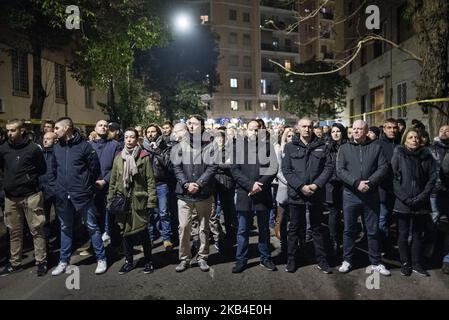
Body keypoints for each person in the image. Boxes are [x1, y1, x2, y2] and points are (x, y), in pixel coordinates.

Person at [50, 117, 107, 276]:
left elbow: (94, 169)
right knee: (65, 228)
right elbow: (54, 170)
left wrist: (87, 187)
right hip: (62, 195)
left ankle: (101, 258)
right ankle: (63, 261)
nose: (54, 132)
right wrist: (58, 188)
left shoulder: (85, 147)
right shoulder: (57, 148)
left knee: (91, 226)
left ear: (67, 128)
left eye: (56, 128)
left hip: (82, 195)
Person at [336, 120, 390, 275]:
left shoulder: (376, 147)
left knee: (373, 230)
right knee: (349, 230)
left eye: (360, 129)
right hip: (350, 195)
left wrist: (370, 183)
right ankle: (347, 260)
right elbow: (340, 170)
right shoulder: (344, 148)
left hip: (371, 195)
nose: (357, 131)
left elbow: (383, 167)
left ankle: (376, 262)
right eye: (354, 129)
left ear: (366, 131)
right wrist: (356, 183)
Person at [282, 118, 333, 273]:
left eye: (310, 127)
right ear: (298, 128)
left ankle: (321, 260)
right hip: (297, 194)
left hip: (315, 193)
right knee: (294, 228)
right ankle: (291, 259)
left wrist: (316, 185)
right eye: (304, 126)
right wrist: (301, 186)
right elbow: (286, 170)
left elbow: (329, 167)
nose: (307, 129)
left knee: (317, 228)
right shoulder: (290, 147)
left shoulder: (322, 146)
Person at [0, 119, 47, 277]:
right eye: (8, 130)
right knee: (14, 231)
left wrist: (28, 179)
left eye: (12, 130)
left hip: (31, 195)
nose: (9, 133)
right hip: (11, 198)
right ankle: (15, 263)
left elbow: (42, 169)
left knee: (37, 230)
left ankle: (41, 261)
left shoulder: (33, 149)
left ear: (22, 131)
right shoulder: (3, 149)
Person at [230, 119, 278, 273]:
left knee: (264, 229)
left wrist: (259, 184)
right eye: (251, 129)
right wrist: (250, 185)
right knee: (242, 230)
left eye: (257, 129)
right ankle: (241, 260)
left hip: (262, 193)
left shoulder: (267, 147)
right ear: (246, 130)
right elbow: (234, 169)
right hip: (245, 193)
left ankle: (265, 258)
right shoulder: (238, 146)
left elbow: (273, 168)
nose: (254, 132)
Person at [108, 128, 157, 274]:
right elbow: (113, 180)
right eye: (126, 137)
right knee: (125, 232)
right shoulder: (118, 157)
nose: (129, 140)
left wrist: (151, 201)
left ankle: (148, 261)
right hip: (122, 201)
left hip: (139, 200)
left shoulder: (144, 156)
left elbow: (150, 180)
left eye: (132, 137)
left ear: (137, 139)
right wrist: (110, 199)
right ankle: (129, 261)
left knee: (143, 232)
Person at [171, 115, 217, 272]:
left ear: (202, 127)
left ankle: (203, 257)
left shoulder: (210, 144)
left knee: (204, 227)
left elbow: (212, 167)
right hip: (184, 194)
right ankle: (184, 258)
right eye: (189, 123)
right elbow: (176, 167)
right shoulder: (180, 145)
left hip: (203, 193)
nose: (191, 126)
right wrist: (186, 184)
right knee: (184, 227)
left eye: (194, 124)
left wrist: (198, 184)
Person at [391, 128, 436, 276]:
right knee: (403, 234)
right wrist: (405, 198)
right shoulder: (399, 154)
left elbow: (432, 178)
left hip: (421, 202)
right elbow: (394, 178)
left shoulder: (427, 156)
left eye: (416, 137)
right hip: (403, 202)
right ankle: (405, 263)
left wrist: (422, 197)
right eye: (410, 137)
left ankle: (416, 263)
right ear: (405, 140)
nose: (414, 140)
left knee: (418, 234)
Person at [90, 120, 122, 247]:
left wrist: (105, 180)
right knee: (94, 216)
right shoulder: (88, 145)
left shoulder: (115, 145)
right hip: (92, 187)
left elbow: (117, 166)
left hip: (110, 185)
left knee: (112, 216)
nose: (103, 127)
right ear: (95, 128)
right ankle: (95, 244)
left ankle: (115, 245)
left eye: (105, 126)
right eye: (100, 125)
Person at [143, 123, 174, 250]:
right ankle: (150, 239)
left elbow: (168, 164)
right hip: (147, 184)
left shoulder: (164, 146)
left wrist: (157, 150)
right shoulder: (142, 148)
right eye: (148, 132)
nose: (151, 134)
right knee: (150, 213)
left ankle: (166, 239)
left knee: (163, 212)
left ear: (158, 133)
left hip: (162, 183)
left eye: (153, 132)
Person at [325, 123, 347, 255]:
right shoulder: (328, 148)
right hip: (332, 184)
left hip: (346, 184)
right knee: (333, 214)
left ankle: (345, 239)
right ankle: (334, 241)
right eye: (333, 131)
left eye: (338, 131)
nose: (336, 133)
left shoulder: (348, 147)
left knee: (346, 213)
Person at [212, 129, 237, 248]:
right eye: (217, 137)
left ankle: (231, 234)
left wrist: (215, 165)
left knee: (228, 211)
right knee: (214, 212)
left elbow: (231, 165)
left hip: (227, 183)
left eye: (221, 137)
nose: (219, 139)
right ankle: (218, 234)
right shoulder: (211, 150)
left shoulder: (230, 150)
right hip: (213, 183)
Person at [274, 128, 294, 257]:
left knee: (294, 221)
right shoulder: (279, 150)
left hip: (295, 189)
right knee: (282, 219)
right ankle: (284, 246)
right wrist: (290, 181)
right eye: (288, 136)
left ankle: (293, 246)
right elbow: (278, 170)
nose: (291, 138)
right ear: (284, 137)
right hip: (283, 188)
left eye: (293, 135)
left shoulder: (296, 149)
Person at [39, 132, 58, 248]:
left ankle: (60, 241)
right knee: (43, 220)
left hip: (56, 191)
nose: (45, 141)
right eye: (44, 138)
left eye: (48, 139)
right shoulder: (39, 154)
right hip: (43, 191)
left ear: (55, 141)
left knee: (60, 219)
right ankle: (45, 244)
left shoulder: (58, 154)